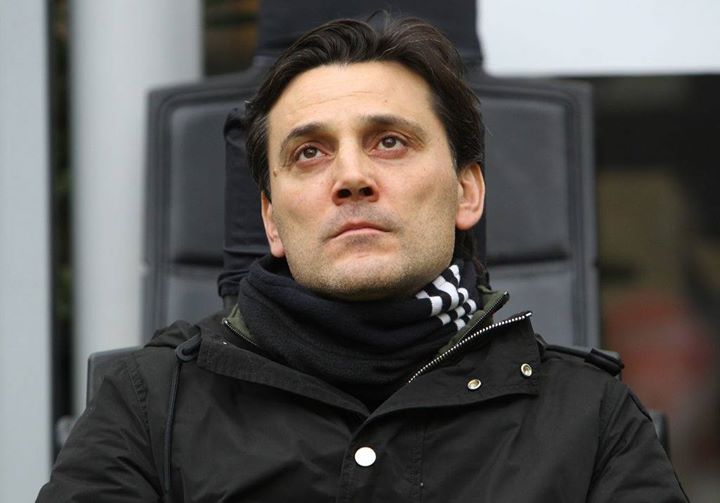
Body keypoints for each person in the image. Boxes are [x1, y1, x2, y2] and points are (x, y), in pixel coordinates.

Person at [37, 17, 688, 502]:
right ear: (271, 220)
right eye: (309, 153)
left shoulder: (589, 418)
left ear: (467, 192)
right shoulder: (149, 405)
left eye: (390, 142)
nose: (351, 177)